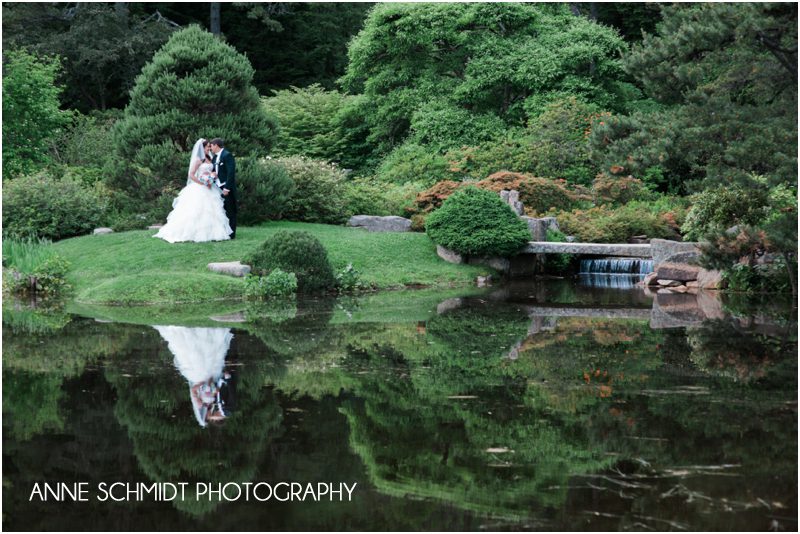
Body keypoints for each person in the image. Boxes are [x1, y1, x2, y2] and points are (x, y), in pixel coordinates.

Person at [153, 138, 233, 243]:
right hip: (200, 187)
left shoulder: (210, 158)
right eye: (207, 146)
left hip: (210, 187)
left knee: (212, 211)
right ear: (202, 148)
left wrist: (212, 176)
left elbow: (213, 170)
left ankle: (212, 233)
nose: (209, 148)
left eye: (210, 146)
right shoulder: (198, 159)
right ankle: (192, 233)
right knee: (196, 211)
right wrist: (202, 182)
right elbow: (191, 174)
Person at [209, 138, 237, 239]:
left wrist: (227, 188)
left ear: (216, 145)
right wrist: (213, 174)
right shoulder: (214, 157)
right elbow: (214, 170)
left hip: (226, 188)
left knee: (230, 210)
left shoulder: (227, 155)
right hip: (217, 188)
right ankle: (224, 232)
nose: (210, 148)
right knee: (221, 210)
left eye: (211, 146)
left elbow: (231, 173)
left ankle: (232, 234)